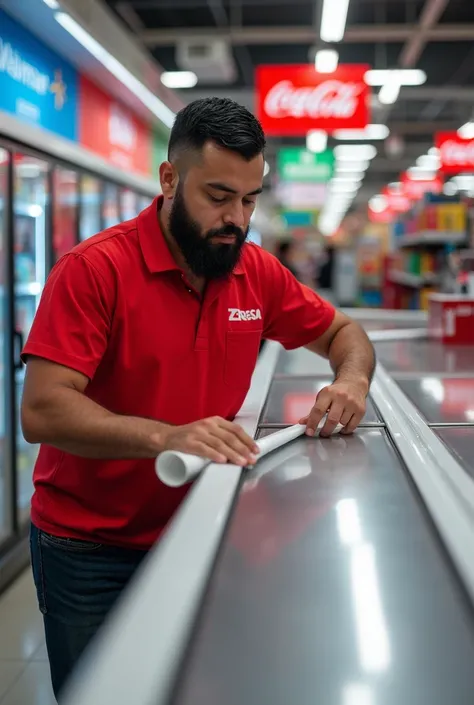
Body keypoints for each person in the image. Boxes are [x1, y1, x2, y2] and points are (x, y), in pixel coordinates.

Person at [21, 97, 375, 699]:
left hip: (205, 531)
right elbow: (43, 409)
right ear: (168, 179)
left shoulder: (254, 273)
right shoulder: (93, 270)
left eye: (249, 199)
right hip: (90, 549)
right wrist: (166, 435)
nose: (235, 217)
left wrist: (351, 382)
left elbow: (346, 333)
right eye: (217, 196)